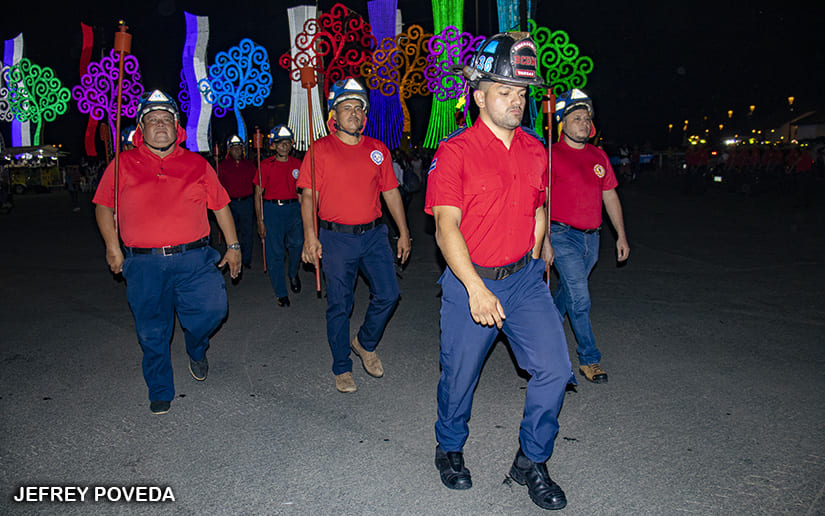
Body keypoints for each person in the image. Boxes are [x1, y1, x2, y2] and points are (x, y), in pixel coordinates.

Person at [425, 32, 571, 511]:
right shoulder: (455, 151)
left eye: (521, 93)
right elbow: (446, 227)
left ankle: (531, 461)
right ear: (478, 94)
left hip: (524, 278)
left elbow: (538, 204)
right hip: (472, 277)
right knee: (459, 376)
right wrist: (474, 287)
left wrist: (540, 241)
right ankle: (449, 447)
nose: (515, 101)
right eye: (504, 91)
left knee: (555, 368)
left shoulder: (535, 150)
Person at [92, 89, 241, 415]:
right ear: (140, 129)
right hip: (144, 263)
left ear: (177, 127)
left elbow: (221, 206)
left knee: (213, 310)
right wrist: (112, 247)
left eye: (166, 120)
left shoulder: (196, 164)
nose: (160, 125)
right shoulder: (122, 164)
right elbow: (103, 206)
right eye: (152, 120)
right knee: (152, 331)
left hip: (195, 258)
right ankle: (160, 388)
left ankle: (196, 346)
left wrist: (232, 246)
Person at [298, 78, 411, 394]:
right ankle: (341, 367)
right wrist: (311, 237)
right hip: (336, 239)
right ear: (334, 114)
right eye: (347, 107)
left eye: (359, 108)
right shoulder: (319, 150)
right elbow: (308, 196)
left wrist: (404, 233)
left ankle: (364, 342)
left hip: (374, 235)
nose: (354, 113)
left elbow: (390, 193)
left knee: (389, 294)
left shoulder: (378, 150)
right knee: (340, 304)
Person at [546, 88, 630, 385]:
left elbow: (610, 196)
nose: (584, 123)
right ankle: (588, 360)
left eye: (587, 118)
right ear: (562, 123)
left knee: (568, 294)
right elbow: (539, 199)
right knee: (580, 298)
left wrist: (621, 235)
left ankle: (544, 338)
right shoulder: (551, 155)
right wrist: (542, 240)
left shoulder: (599, 156)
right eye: (577, 118)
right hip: (561, 234)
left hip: (591, 238)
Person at [255, 125, 304, 307]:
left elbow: (301, 193)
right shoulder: (265, 165)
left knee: (298, 244)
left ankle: (292, 272)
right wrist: (260, 221)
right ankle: (281, 293)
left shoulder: (297, 165)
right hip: (272, 210)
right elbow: (258, 194)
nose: (283, 146)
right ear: (273, 146)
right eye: (279, 143)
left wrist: (305, 215)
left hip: (293, 210)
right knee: (275, 253)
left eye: (287, 142)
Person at [218, 135, 257, 271]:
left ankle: (246, 259)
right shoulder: (222, 166)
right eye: (234, 149)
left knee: (247, 232)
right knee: (231, 231)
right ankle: (231, 255)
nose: (237, 151)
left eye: (239, 148)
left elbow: (256, 184)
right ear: (229, 150)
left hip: (246, 202)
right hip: (230, 204)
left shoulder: (249, 165)